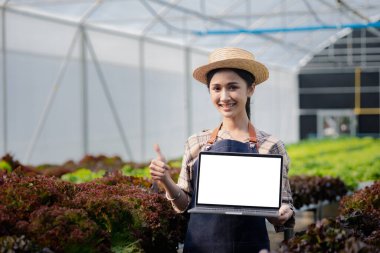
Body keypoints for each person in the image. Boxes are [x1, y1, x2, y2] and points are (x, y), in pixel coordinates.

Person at [149, 47, 295, 253]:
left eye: (233, 87)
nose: (224, 96)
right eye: (216, 88)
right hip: (201, 248)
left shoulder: (270, 145)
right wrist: (165, 181)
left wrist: (282, 212)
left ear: (251, 89)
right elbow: (184, 205)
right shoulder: (196, 143)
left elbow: (281, 208)